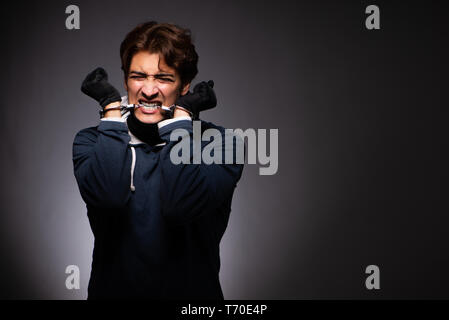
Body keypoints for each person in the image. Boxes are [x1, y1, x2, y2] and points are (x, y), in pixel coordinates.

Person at [72, 21, 244, 299]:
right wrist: (110, 109)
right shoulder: (91, 141)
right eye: (138, 76)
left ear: (185, 85)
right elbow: (108, 197)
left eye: (164, 78)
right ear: (126, 80)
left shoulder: (222, 144)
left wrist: (182, 119)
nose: (149, 91)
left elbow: (180, 204)